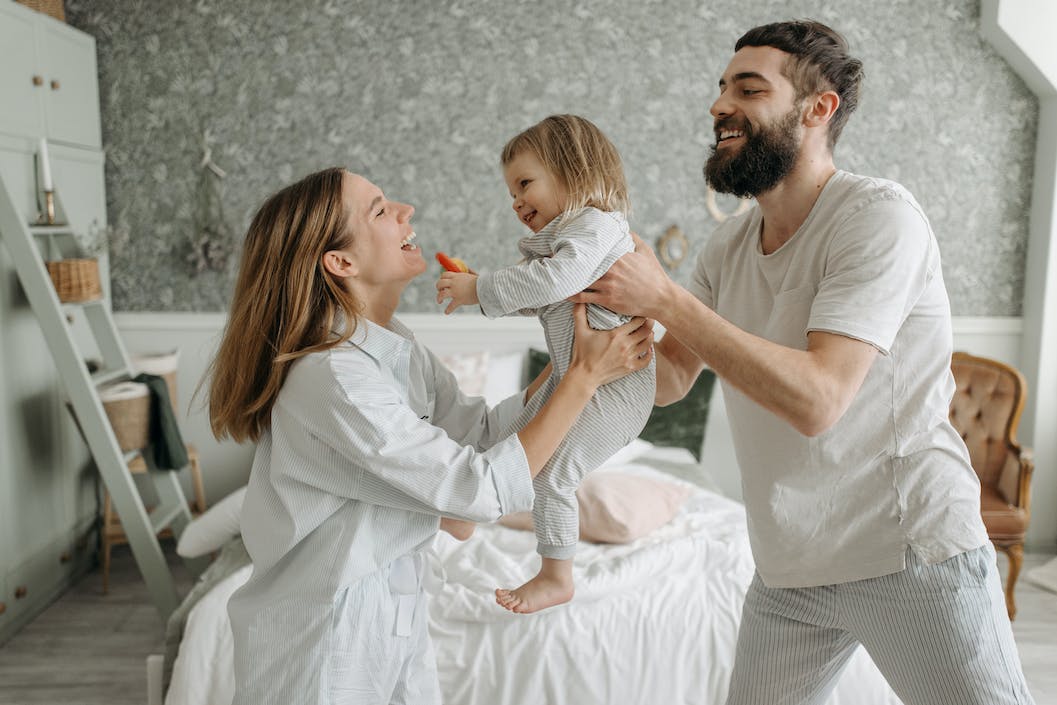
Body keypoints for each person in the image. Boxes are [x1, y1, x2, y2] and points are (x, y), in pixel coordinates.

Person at [572, 20, 1036, 705]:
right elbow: (668, 380)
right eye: (721, 88)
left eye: (748, 89)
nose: (719, 105)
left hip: (907, 549)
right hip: (790, 565)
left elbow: (818, 400)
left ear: (819, 109)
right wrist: (596, 311)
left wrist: (665, 296)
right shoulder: (726, 248)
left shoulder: (878, 218)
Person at [206, 166, 653, 705]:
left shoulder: (398, 349)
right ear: (341, 263)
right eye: (379, 209)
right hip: (325, 636)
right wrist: (581, 378)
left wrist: (569, 362)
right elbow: (476, 490)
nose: (406, 210)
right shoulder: (334, 377)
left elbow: (483, 435)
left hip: (395, 616)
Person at [436, 114, 656, 614]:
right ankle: (467, 511)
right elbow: (547, 294)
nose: (516, 202)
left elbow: (554, 282)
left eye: (524, 184)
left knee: (551, 471)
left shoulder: (598, 226)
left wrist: (481, 289)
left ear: (573, 172)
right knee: (506, 436)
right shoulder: (569, 244)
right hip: (570, 375)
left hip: (616, 390)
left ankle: (557, 574)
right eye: (511, 192)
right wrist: (483, 286)